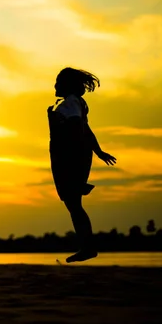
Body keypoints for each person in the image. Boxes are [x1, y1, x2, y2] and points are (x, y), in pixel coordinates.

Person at [47, 67, 116, 263]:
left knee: (74, 204)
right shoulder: (75, 103)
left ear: (67, 85)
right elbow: (86, 130)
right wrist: (98, 151)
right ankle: (87, 247)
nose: (54, 86)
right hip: (72, 156)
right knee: (73, 204)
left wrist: (75, 161)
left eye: (58, 82)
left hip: (70, 157)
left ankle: (87, 247)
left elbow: (78, 128)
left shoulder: (70, 104)